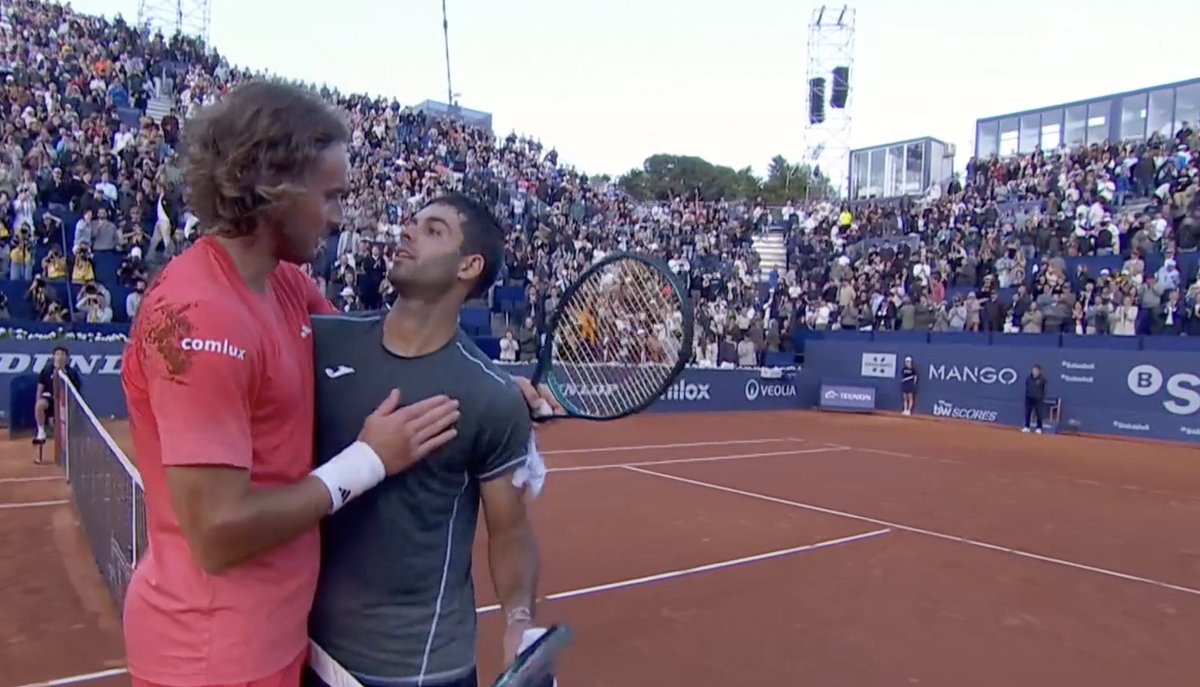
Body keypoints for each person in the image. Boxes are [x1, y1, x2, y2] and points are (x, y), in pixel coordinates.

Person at [118, 81, 555, 687]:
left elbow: (393, 349)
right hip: (211, 657)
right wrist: (368, 461)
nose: (339, 216)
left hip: (285, 645)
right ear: (275, 187)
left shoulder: (287, 289)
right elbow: (216, 535)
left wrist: (500, 389)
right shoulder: (202, 316)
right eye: (330, 196)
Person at [307, 194, 554, 687]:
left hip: (421, 667)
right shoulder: (319, 340)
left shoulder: (491, 396)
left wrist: (518, 622)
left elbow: (509, 531)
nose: (406, 232)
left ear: (469, 266)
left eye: (433, 229)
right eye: (411, 222)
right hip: (305, 647)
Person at [33, 345, 81, 451]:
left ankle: (68, 433)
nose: (60, 357)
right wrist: (38, 402)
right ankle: (41, 431)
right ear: (53, 356)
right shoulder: (46, 371)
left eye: (63, 355)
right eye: (58, 354)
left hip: (66, 401)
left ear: (67, 358)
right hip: (50, 400)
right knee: (39, 405)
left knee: (71, 409)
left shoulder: (72, 373)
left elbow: (76, 393)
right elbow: (40, 389)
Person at [1022, 364, 1047, 434]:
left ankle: (1039, 428)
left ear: (1039, 371)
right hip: (1029, 398)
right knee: (1028, 413)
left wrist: (1040, 396)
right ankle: (1027, 427)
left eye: (1036, 370)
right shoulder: (1028, 378)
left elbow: (1044, 389)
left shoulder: (1043, 380)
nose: (1034, 371)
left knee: (1038, 414)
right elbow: (1027, 387)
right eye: (1034, 370)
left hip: (1038, 399)